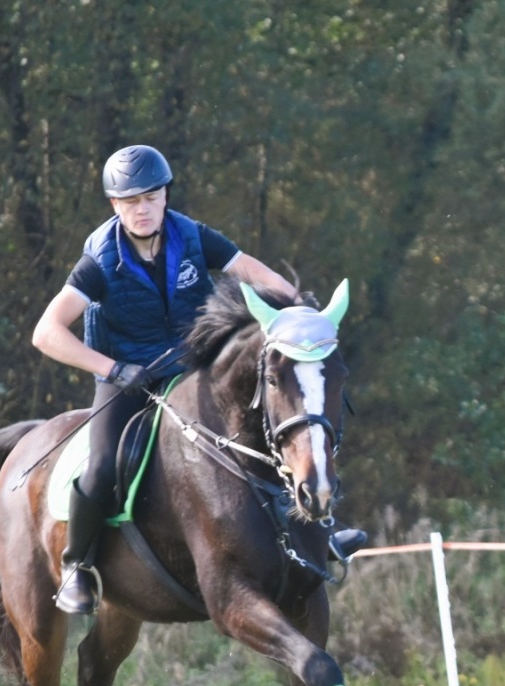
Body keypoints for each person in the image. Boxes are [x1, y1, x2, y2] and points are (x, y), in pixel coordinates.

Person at [32, 144, 365, 615]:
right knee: (103, 464)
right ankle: (77, 566)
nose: (143, 209)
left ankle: (320, 533)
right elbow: (46, 333)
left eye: (151, 198)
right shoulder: (99, 262)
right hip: (128, 378)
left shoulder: (193, 236)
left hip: (192, 370)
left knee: (275, 425)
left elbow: (258, 275)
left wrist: (301, 314)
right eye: (131, 201)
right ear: (114, 205)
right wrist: (112, 369)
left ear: (165, 196)